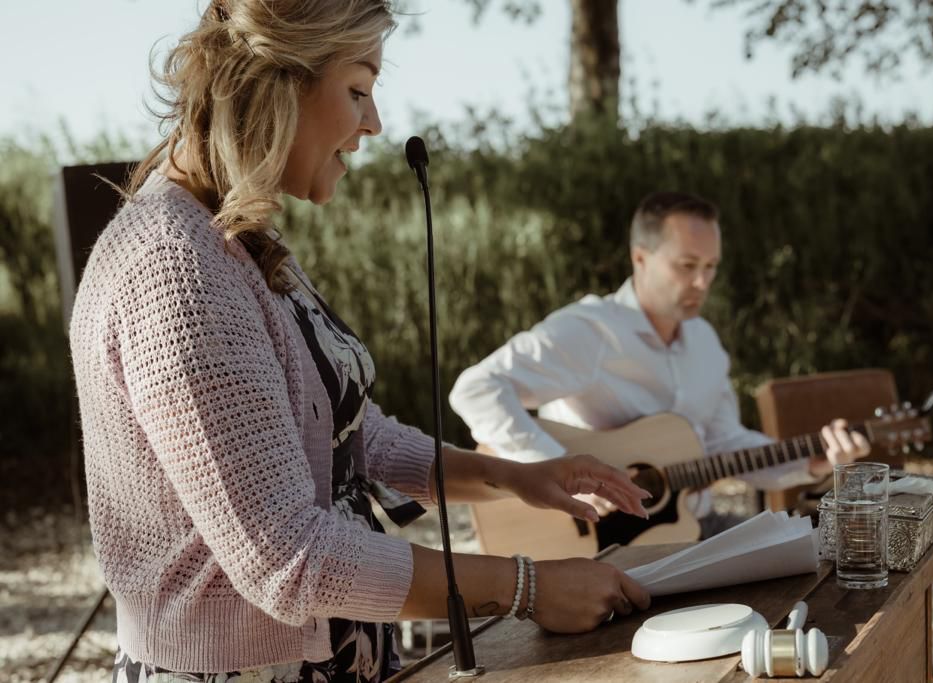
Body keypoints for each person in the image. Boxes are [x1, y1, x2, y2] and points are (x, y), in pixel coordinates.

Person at [68, 2, 652, 681]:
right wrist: (527, 585)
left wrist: (510, 476)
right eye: (358, 90)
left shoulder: (235, 235)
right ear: (280, 82)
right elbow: (288, 558)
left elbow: (349, 433)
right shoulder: (178, 268)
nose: (373, 122)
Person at [449, 191, 871, 539]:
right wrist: (561, 470)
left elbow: (724, 443)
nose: (702, 283)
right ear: (640, 259)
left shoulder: (706, 343)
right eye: (687, 266)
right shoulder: (590, 331)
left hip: (693, 528)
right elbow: (476, 389)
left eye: (710, 267)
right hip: (599, 543)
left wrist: (810, 462)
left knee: (815, 551)